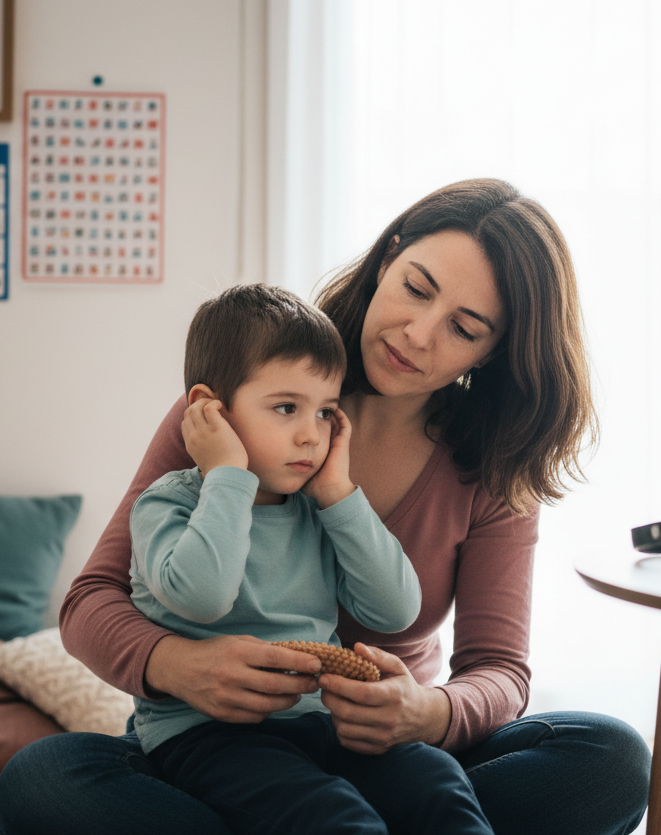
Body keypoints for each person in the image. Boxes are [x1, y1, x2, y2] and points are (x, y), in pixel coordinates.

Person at [0, 178, 652, 835]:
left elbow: (499, 670)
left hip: (389, 752)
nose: (419, 334)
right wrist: (180, 666)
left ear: (496, 349)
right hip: (219, 747)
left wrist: (427, 713)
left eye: (464, 327)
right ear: (387, 258)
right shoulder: (238, 411)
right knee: (44, 780)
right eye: (417, 288)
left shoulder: (495, 461)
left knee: (608, 757)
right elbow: (90, 602)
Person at [127, 283, 491, 834]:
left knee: (437, 784)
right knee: (333, 817)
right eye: (285, 408)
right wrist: (228, 476)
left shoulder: (315, 511)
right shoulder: (169, 503)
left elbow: (396, 610)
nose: (308, 434)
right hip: (212, 735)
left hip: (321, 723)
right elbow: (204, 595)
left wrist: (339, 493)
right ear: (210, 412)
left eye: (325, 413)